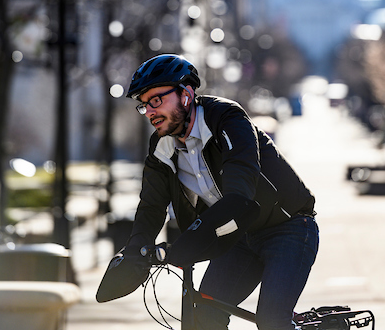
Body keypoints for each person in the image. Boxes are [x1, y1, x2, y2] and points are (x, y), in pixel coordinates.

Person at [98, 54, 319, 330]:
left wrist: (186, 243)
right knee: (204, 316)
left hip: (289, 229)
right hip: (239, 237)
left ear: (186, 94)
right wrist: (134, 253)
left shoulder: (228, 120)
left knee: (272, 320)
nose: (150, 111)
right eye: (144, 105)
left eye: (156, 100)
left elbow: (239, 197)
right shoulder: (162, 148)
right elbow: (152, 206)